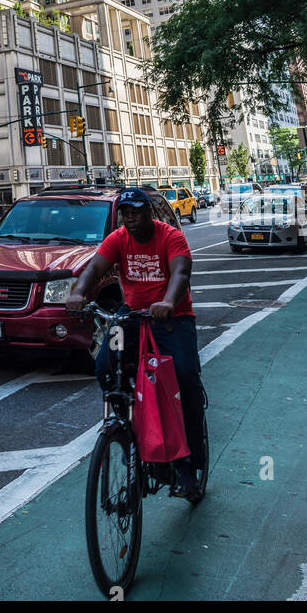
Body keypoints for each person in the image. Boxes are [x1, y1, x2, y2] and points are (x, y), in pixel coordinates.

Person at [66, 186, 205, 500]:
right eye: (126, 213)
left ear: (148, 212)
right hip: (131, 316)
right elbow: (94, 269)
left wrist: (168, 301)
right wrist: (78, 293)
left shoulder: (170, 236)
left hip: (173, 317)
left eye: (137, 212)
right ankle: (130, 428)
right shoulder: (118, 239)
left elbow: (181, 274)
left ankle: (189, 466)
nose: (130, 218)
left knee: (184, 379)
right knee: (104, 368)